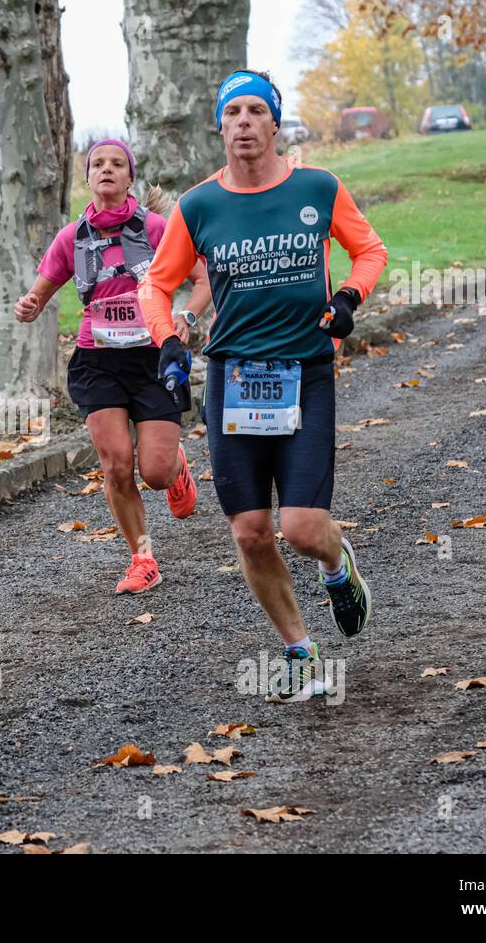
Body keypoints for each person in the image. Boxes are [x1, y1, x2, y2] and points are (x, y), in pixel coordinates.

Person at [140, 71, 388, 702]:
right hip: (234, 378)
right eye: (233, 113)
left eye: (256, 111)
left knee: (303, 528)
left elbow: (370, 251)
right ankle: (299, 651)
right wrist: (168, 339)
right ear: (220, 127)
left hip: (304, 371)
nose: (244, 122)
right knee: (249, 531)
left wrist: (349, 297)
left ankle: (338, 566)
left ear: (275, 124)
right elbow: (156, 284)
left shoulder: (318, 187)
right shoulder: (198, 206)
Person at [16, 138, 214, 594]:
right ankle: (142, 557)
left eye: (117, 164)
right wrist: (28, 306)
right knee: (117, 466)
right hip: (97, 361)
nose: (107, 169)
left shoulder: (159, 229)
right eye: (98, 164)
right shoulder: (72, 238)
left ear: (130, 177)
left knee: (155, 472)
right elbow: (39, 294)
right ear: (88, 178)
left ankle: (175, 465)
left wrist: (185, 318)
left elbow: (202, 280)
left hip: (154, 358)